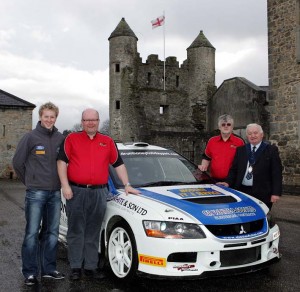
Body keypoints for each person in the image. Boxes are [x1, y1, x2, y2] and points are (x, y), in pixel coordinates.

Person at [57, 108, 140, 281]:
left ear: (98, 120)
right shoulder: (71, 139)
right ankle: (75, 267)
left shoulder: (107, 141)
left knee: (93, 231)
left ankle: (90, 267)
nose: (90, 123)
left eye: (93, 119)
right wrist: (65, 186)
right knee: (76, 230)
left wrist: (127, 184)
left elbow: (118, 164)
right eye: (87, 120)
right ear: (82, 122)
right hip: (76, 191)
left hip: (99, 192)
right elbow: (61, 162)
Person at [12, 102, 65, 286]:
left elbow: (65, 164)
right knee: (32, 233)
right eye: (46, 116)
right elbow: (18, 163)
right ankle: (30, 272)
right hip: (35, 193)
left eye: (52, 117)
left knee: (52, 233)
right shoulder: (30, 137)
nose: (49, 120)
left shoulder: (60, 138)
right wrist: (30, 182)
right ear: (40, 117)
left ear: (55, 118)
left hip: (55, 194)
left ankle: (49, 269)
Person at [221, 123, 283, 209]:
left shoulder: (271, 150)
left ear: (262, 135)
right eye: (249, 134)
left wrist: (275, 193)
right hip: (241, 191)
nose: (252, 135)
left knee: (259, 219)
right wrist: (228, 182)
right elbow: (234, 170)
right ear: (247, 136)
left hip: (263, 193)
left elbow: (276, 172)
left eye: (255, 133)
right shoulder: (241, 150)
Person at [198, 114, 244, 181]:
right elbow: (206, 157)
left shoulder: (240, 142)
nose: (226, 126)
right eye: (223, 124)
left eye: (228, 124)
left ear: (232, 127)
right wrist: (203, 166)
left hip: (233, 181)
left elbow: (243, 162)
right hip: (214, 180)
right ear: (219, 127)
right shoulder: (212, 141)